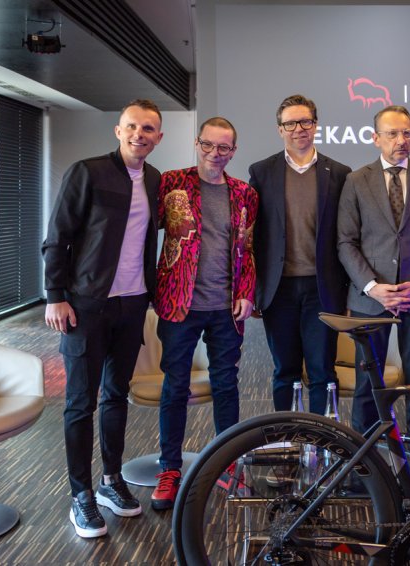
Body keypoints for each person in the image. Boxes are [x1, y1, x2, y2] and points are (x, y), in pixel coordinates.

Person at [42, 99, 164, 538]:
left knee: (116, 396)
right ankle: (81, 495)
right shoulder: (88, 172)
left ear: (158, 137)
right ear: (118, 130)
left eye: (147, 129)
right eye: (132, 126)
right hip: (85, 306)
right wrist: (55, 296)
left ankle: (111, 480)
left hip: (131, 306)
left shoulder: (154, 179)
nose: (139, 135)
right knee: (81, 402)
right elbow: (57, 236)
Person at [150, 117, 258, 510]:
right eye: (208, 145)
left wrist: (247, 292)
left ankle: (228, 463)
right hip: (179, 303)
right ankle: (170, 469)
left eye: (224, 147)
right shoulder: (171, 183)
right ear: (197, 143)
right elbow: (143, 232)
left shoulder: (245, 193)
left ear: (233, 151)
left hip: (225, 307)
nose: (215, 153)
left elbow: (247, 248)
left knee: (226, 384)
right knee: (175, 385)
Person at [338, 105, 410, 437]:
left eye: (406, 133)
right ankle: (364, 447)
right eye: (392, 134)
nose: (401, 140)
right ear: (376, 138)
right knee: (367, 381)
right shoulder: (356, 181)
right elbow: (345, 242)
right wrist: (372, 286)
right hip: (371, 300)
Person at [249, 94, 351, 415]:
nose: (299, 129)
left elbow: (346, 236)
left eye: (305, 122)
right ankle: (287, 435)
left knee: (323, 371)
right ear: (280, 129)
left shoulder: (339, 173)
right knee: (285, 371)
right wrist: (254, 289)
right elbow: (254, 235)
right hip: (278, 290)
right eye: (290, 123)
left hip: (322, 289)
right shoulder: (262, 172)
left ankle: (323, 437)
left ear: (316, 125)